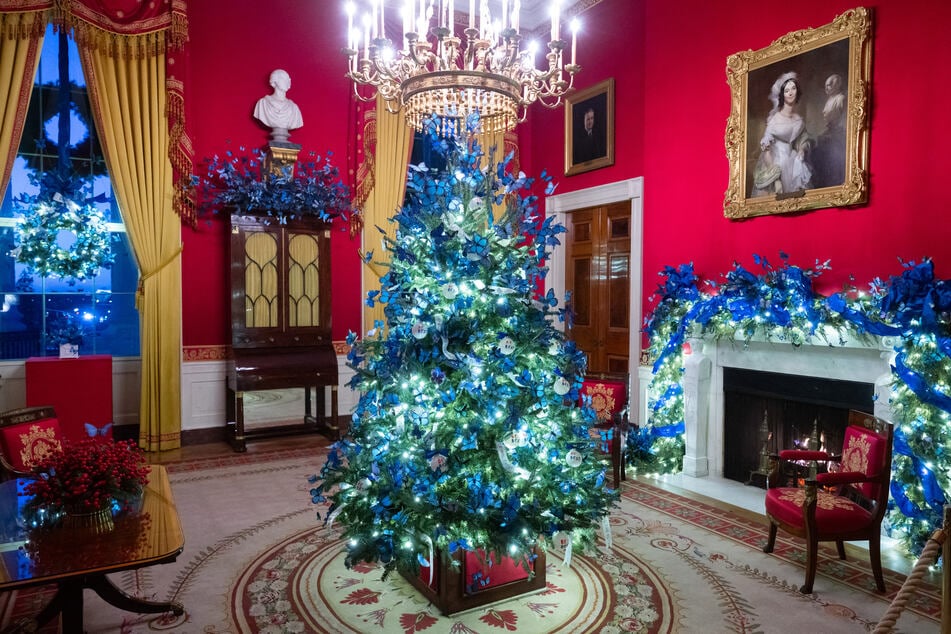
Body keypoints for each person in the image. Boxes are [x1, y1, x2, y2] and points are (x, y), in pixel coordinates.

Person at [751, 71, 813, 197]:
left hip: (794, 161)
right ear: (782, 95)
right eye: (786, 90)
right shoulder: (775, 119)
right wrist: (776, 178)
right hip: (776, 163)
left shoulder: (799, 120)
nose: (790, 93)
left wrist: (801, 149)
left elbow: (804, 139)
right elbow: (766, 150)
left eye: (793, 88)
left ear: (797, 91)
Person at [811, 73, 847, 188]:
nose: (827, 88)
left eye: (829, 85)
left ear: (836, 85)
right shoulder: (830, 99)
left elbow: (843, 117)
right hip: (829, 131)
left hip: (837, 132)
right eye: (826, 86)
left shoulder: (841, 99)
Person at [253, 69, 304, 143]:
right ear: (274, 81)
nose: (288, 81)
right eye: (284, 78)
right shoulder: (263, 103)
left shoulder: (294, 108)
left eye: (288, 79)